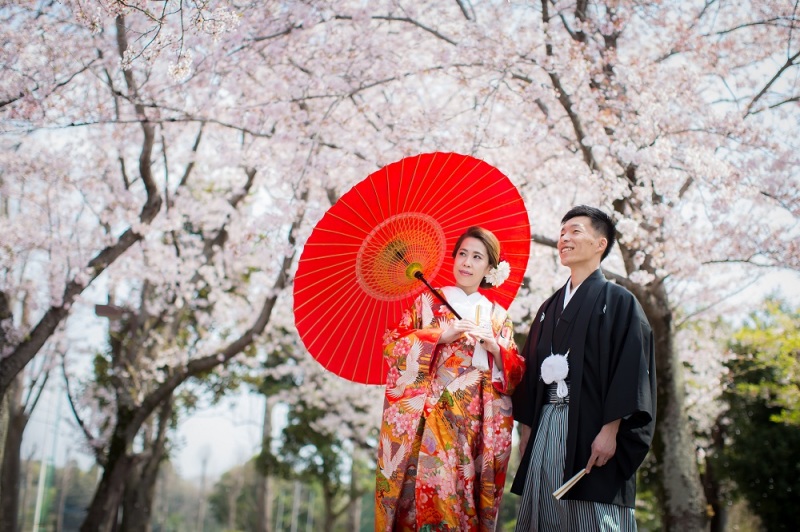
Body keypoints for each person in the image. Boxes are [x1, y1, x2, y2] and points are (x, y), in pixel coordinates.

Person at [511, 206, 657, 531]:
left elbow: (630, 370)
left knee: (590, 515)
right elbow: (531, 370)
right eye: (562, 233)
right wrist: (527, 430)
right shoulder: (548, 307)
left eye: (575, 231)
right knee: (544, 514)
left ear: (600, 244)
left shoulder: (620, 301)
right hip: (547, 424)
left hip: (593, 427)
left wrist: (610, 430)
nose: (564, 238)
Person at [375, 226, 526, 531]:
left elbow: (516, 372)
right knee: (431, 490)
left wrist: (496, 349)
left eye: (477, 257)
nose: (467, 263)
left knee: (465, 496)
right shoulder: (427, 304)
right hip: (431, 414)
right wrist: (439, 335)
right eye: (462, 254)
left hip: (476, 422)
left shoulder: (498, 316)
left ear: (490, 267)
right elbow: (393, 347)